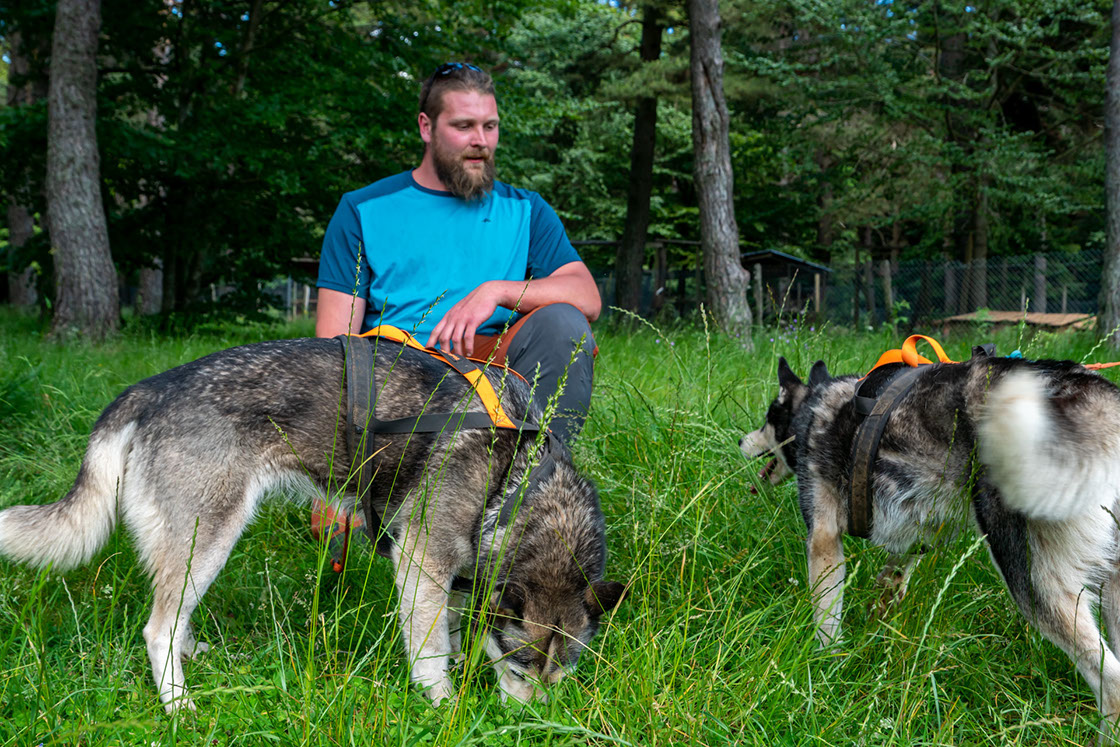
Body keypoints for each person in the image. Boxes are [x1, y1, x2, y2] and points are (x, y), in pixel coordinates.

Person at [311, 62, 600, 562]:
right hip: (399, 378)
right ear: (426, 127)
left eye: (490, 127)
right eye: (463, 126)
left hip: (496, 376)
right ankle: (385, 509)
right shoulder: (364, 209)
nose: (480, 140)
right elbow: (331, 346)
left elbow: (587, 295)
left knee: (565, 325)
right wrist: (329, 473)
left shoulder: (525, 210)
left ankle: (528, 509)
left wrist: (496, 291)